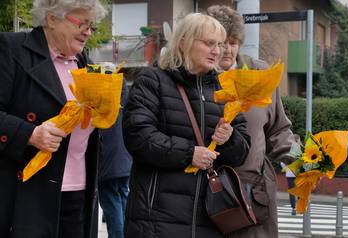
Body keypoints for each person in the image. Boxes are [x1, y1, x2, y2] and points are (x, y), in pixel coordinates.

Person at [122, 13, 250, 238]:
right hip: (157, 218)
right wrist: (189, 153)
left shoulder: (225, 90)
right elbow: (138, 136)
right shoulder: (152, 81)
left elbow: (241, 152)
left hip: (210, 218)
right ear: (184, 42)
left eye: (219, 45)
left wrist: (229, 138)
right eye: (209, 43)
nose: (217, 51)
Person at [0, 0, 107, 237]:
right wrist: (30, 134)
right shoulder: (11, 48)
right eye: (83, 23)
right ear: (52, 19)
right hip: (27, 195)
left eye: (92, 26)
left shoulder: (83, 63)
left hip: (79, 190)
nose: (88, 32)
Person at [207, 5, 296, 238]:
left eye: (233, 42)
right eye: (221, 42)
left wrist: (301, 160)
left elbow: (278, 129)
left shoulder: (259, 73)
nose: (227, 49)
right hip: (210, 190)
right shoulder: (198, 76)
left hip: (254, 190)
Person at [98, 76, 132, 238]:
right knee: (123, 197)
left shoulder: (102, 107)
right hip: (125, 161)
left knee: (111, 203)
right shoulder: (125, 103)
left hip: (107, 162)